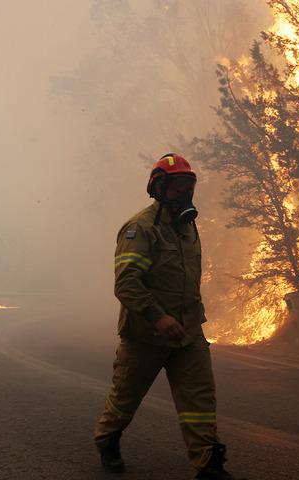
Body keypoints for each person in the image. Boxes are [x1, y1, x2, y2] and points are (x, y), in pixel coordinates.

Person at [94, 153, 241, 479]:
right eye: (177, 187)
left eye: (188, 185)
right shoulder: (140, 229)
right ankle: (108, 439)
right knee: (124, 400)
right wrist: (158, 317)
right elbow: (126, 283)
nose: (184, 194)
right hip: (146, 334)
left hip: (188, 334)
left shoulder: (188, 228)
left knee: (200, 403)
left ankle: (209, 466)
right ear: (158, 188)